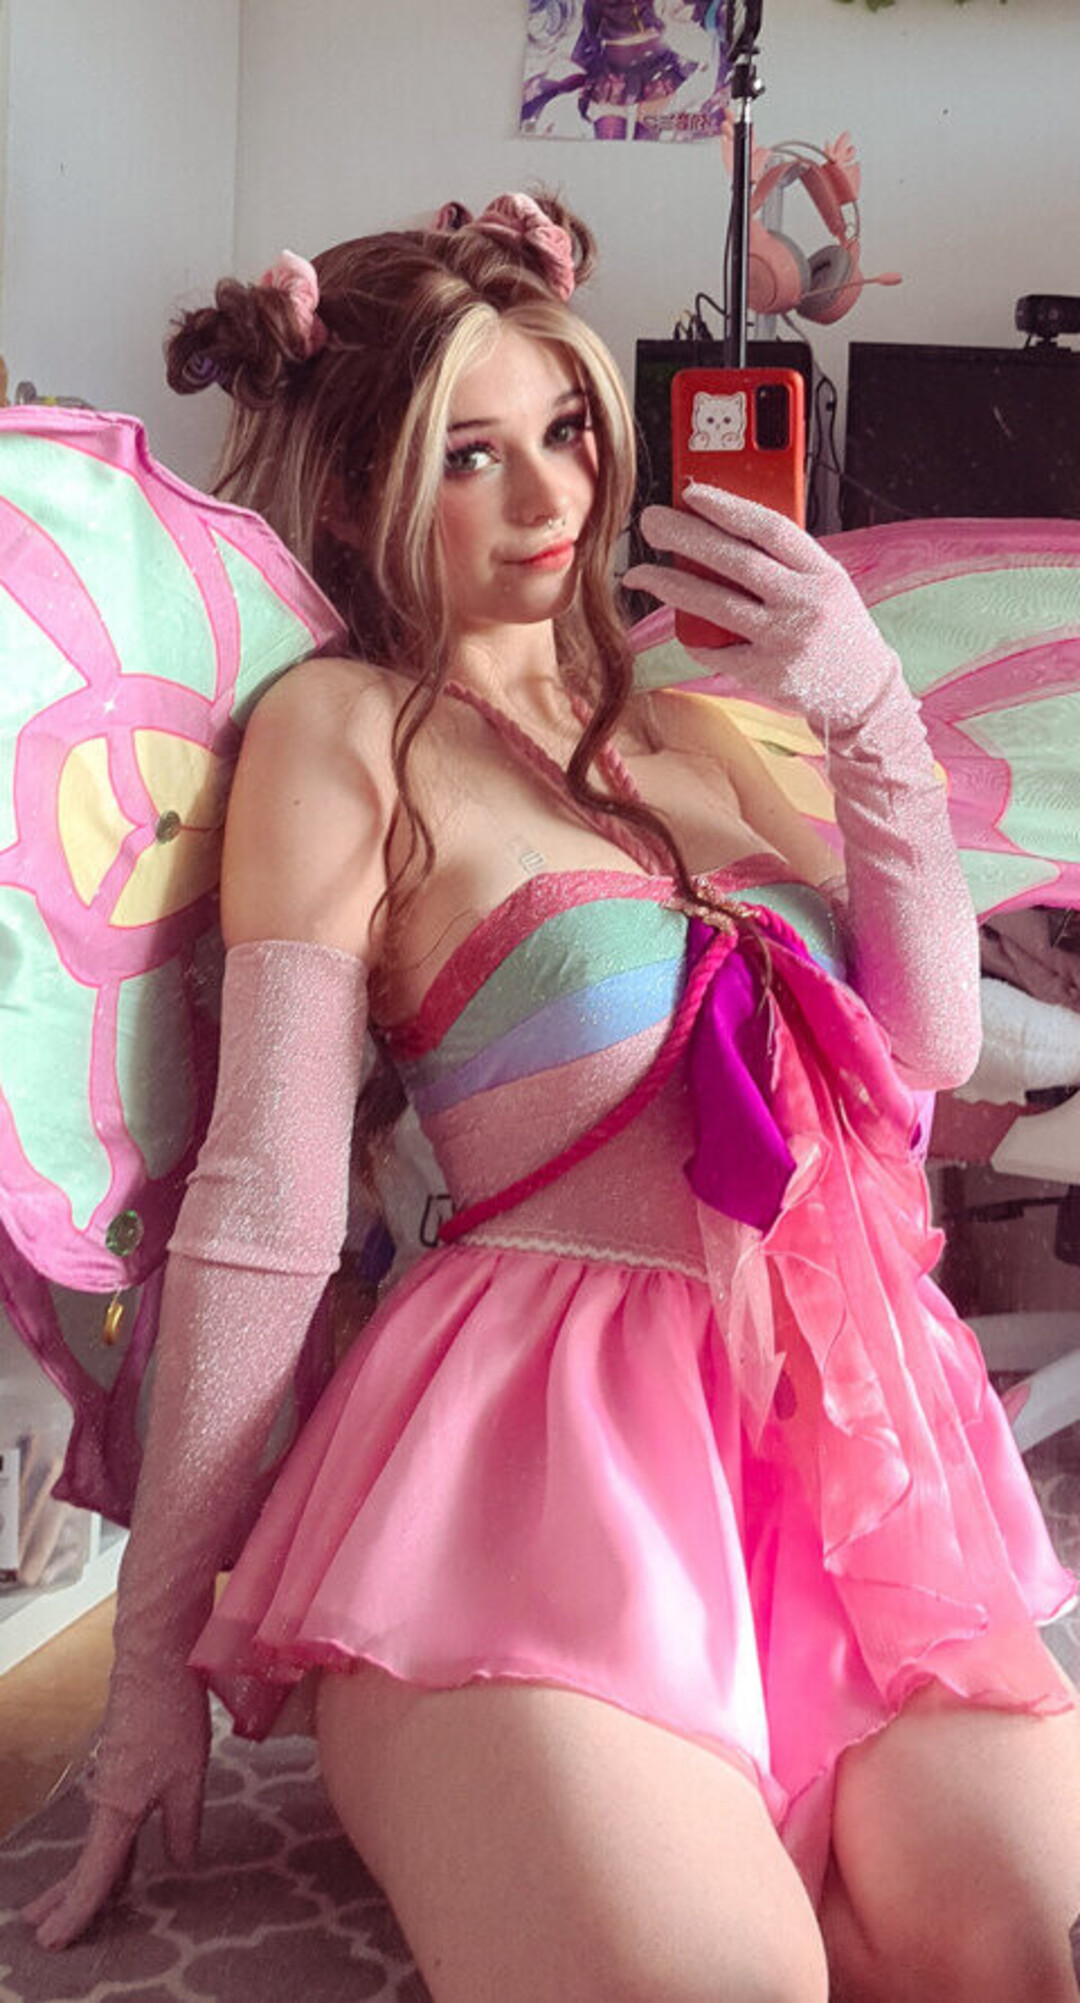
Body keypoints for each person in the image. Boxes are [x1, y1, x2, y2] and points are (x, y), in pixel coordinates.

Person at [23, 192, 1080, 2002]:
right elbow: (267, 1214)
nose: (548, 497)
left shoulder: (708, 712)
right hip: (525, 1488)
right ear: (355, 496)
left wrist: (868, 715)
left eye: (569, 429)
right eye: (470, 455)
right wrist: (149, 1666)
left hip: (849, 1460)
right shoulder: (344, 732)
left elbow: (919, 1053)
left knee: (1035, 1953)